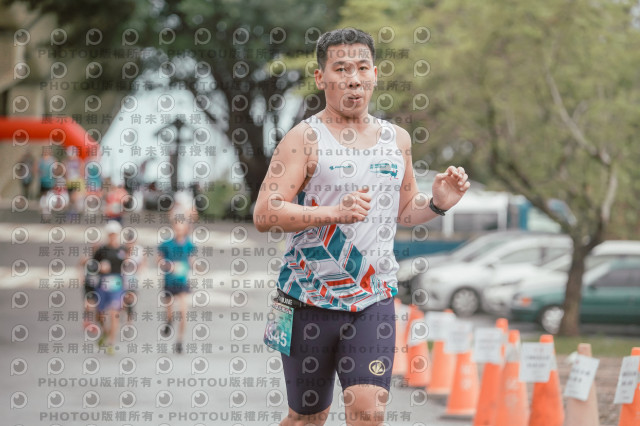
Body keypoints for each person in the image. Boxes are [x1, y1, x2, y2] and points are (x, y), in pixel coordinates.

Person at [253, 28, 470, 426]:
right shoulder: (304, 138)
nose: (353, 78)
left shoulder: (396, 140)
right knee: (307, 418)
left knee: (368, 412)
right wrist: (333, 213)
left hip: (373, 298)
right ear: (321, 78)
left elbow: (405, 211)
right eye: (341, 69)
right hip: (307, 300)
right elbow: (265, 213)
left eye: (362, 68)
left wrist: (438, 203)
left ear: (375, 74)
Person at [157, 221, 196, 354]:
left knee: (184, 312)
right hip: (169, 282)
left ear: (185, 230)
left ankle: (180, 340)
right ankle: (169, 320)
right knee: (170, 311)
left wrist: (196, 265)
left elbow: (190, 259)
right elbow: (159, 260)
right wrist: (168, 266)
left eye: (181, 229)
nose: (179, 231)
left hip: (182, 282)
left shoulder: (189, 244)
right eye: (177, 229)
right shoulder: (166, 244)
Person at [93, 220, 127, 355]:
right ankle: (105, 332)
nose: (113, 236)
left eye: (115, 234)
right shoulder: (101, 250)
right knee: (99, 314)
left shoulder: (123, 250)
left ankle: (111, 343)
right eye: (110, 234)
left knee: (114, 313)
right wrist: (100, 267)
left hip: (117, 285)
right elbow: (92, 266)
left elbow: (130, 267)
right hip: (103, 284)